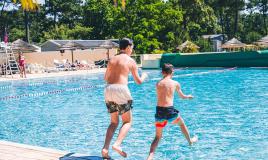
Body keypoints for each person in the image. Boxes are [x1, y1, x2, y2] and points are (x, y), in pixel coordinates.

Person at [102, 38, 148, 159]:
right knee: (127, 121)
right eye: (132, 47)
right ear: (128, 47)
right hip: (121, 89)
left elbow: (106, 77)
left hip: (108, 89)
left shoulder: (112, 59)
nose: (132, 50)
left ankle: (105, 149)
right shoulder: (130, 61)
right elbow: (138, 81)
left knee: (113, 122)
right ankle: (117, 144)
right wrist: (144, 76)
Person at [147, 63, 198, 160]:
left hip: (159, 112)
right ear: (172, 72)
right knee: (181, 124)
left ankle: (150, 156)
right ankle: (190, 141)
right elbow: (182, 97)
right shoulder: (175, 83)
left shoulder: (158, 83)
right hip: (170, 111)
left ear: (162, 72)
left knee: (157, 137)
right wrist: (188, 96)